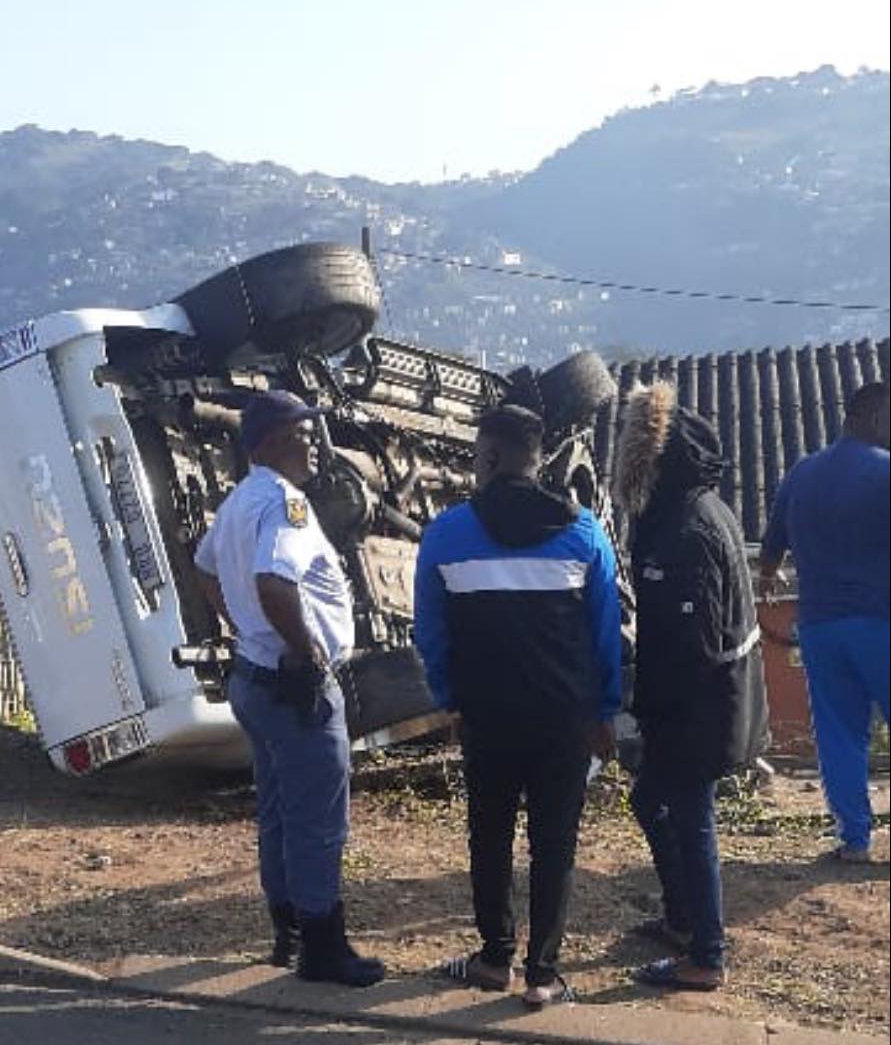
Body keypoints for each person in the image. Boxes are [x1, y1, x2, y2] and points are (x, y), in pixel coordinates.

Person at [414, 405, 621, 1007]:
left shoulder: (446, 534)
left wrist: (449, 699)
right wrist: (603, 710)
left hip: (486, 717)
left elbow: (430, 632)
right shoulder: (584, 533)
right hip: (564, 720)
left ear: (489, 457)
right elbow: (604, 632)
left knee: (490, 836)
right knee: (554, 843)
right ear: (539, 460)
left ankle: (493, 958)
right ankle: (543, 975)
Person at [194, 389, 385, 987]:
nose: (314, 447)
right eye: (304, 435)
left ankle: (289, 934)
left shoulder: (237, 503)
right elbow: (277, 586)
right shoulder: (285, 504)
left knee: (278, 810)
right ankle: (323, 950)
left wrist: (239, 626)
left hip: (254, 676)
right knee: (319, 821)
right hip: (290, 681)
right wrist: (306, 655)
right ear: (274, 441)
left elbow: (203, 567)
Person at [613, 381, 768, 992]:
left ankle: (706, 952)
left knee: (689, 816)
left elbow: (691, 641)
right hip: (702, 700)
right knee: (651, 802)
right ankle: (683, 922)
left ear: (661, 459)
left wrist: (655, 714)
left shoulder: (686, 530)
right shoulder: (702, 510)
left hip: (696, 707)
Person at [759, 381, 890, 863]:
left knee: (839, 733)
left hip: (819, 626)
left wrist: (768, 581)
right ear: (875, 417)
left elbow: (770, 551)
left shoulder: (802, 473)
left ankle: (855, 840)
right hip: (881, 623)